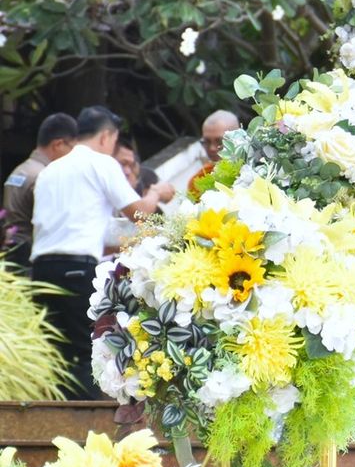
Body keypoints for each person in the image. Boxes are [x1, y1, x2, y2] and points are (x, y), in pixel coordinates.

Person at [29, 106, 175, 397]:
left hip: (41, 271)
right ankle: (82, 421)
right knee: (86, 352)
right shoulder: (100, 163)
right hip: (76, 269)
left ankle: (48, 419)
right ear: (107, 136)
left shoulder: (50, 170)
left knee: (54, 356)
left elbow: (75, 229)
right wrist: (156, 193)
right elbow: (141, 214)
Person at [3, 112, 78, 262]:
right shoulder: (44, 176)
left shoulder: (21, 170)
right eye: (73, 149)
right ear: (58, 145)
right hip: (29, 257)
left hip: (9, 253)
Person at [152, 110, 239, 200]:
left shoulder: (247, 170)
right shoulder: (198, 180)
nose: (212, 148)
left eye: (220, 141)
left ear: (237, 139)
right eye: (207, 141)